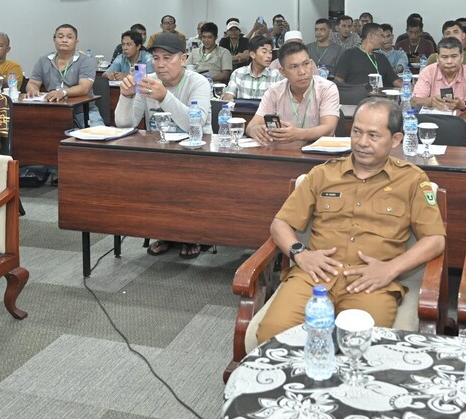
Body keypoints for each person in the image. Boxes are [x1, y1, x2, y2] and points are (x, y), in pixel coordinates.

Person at [255, 98, 446, 343]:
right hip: (315, 276)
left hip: (371, 283)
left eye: (373, 135)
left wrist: (391, 269)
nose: (362, 142)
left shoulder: (412, 180)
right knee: (272, 336)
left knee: (361, 345)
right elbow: (280, 224)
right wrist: (300, 254)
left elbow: (435, 239)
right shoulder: (323, 174)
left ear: (395, 139)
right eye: (357, 132)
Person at [115, 32, 211, 259]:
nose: (160, 64)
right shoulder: (148, 81)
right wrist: (126, 96)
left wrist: (164, 97)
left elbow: (195, 123)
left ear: (183, 59)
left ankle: (191, 234)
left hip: (196, 152)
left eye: (168, 58)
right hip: (160, 152)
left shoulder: (198, 82)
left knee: (183, 176)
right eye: (156, 58)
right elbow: (125, 124)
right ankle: (164, 231)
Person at [247, 43, 340, 145]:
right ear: (283, 72)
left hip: (318, 151)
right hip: (284, 152)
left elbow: (329, 129)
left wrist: (298, 134)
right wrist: (254, 130)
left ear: (311, 64)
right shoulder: (274, 91)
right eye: (294, 67)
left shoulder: (327, 88)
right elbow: (252, 125)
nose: (302, 72)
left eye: (306, 64)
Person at [25, 24, 104, 125]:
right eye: (60, 37)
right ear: (54, 39)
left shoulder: (85, 61)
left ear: (76, 42)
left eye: (69, 37)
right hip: (54, 111)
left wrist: (63, 92)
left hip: (82, 112)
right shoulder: (43, 60)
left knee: (97, 133)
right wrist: (32, 89)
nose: (64, 40)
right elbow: (32, 83)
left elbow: (84, 88)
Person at [412, 37, 466, 112]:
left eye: (454, 56)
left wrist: (463, 105)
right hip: (434, 118)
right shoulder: (428, 72)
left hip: (463, 118)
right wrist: (431, 102)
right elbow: (414, 101)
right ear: (437, 58)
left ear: (461, 57)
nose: (449, 62)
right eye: (444, 57)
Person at [334, 23, 402, 88]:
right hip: (355, 95)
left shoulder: (381, 58)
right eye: (381, 36)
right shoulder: (349, 55)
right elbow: (339, 82)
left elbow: (396, 81)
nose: (383, 40)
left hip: (378, 95)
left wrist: (408, 86)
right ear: (370, 36)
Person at [223, 36, 283, 100]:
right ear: (252, 54)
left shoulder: (276, 75)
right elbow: (228, 98)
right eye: (264, 52)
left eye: (270, 52)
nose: (269, 56)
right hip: (241, 107)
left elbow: (281, 101)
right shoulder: (238, 73)